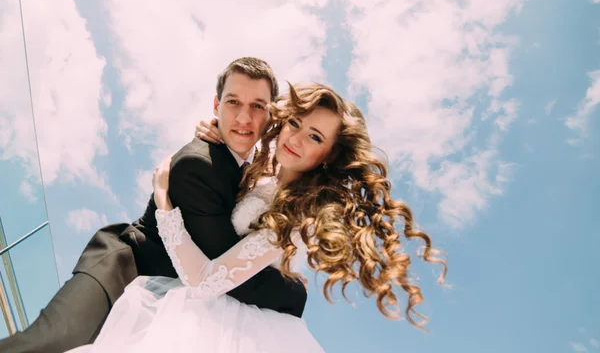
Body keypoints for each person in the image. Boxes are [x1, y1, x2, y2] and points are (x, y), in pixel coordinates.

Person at [65, 83, 447, 352]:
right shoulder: (259, 175)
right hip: (186, 304)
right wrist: (210, 130)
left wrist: (165, 205)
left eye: (315, 137)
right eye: (295, 123)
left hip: (226, 324)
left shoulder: (299, 215)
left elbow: (204, 283)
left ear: (329, 155)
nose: (295, 138)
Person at [0, 57, 308, 353]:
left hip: (172, 291)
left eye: (257, 106)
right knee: (51, 342)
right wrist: (293, 292)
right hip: (126, 266)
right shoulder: (198, 164)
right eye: (233, 102)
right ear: (216, 106)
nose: (244, 118)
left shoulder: (257, 168)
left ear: (271, 115)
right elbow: (223, 265)